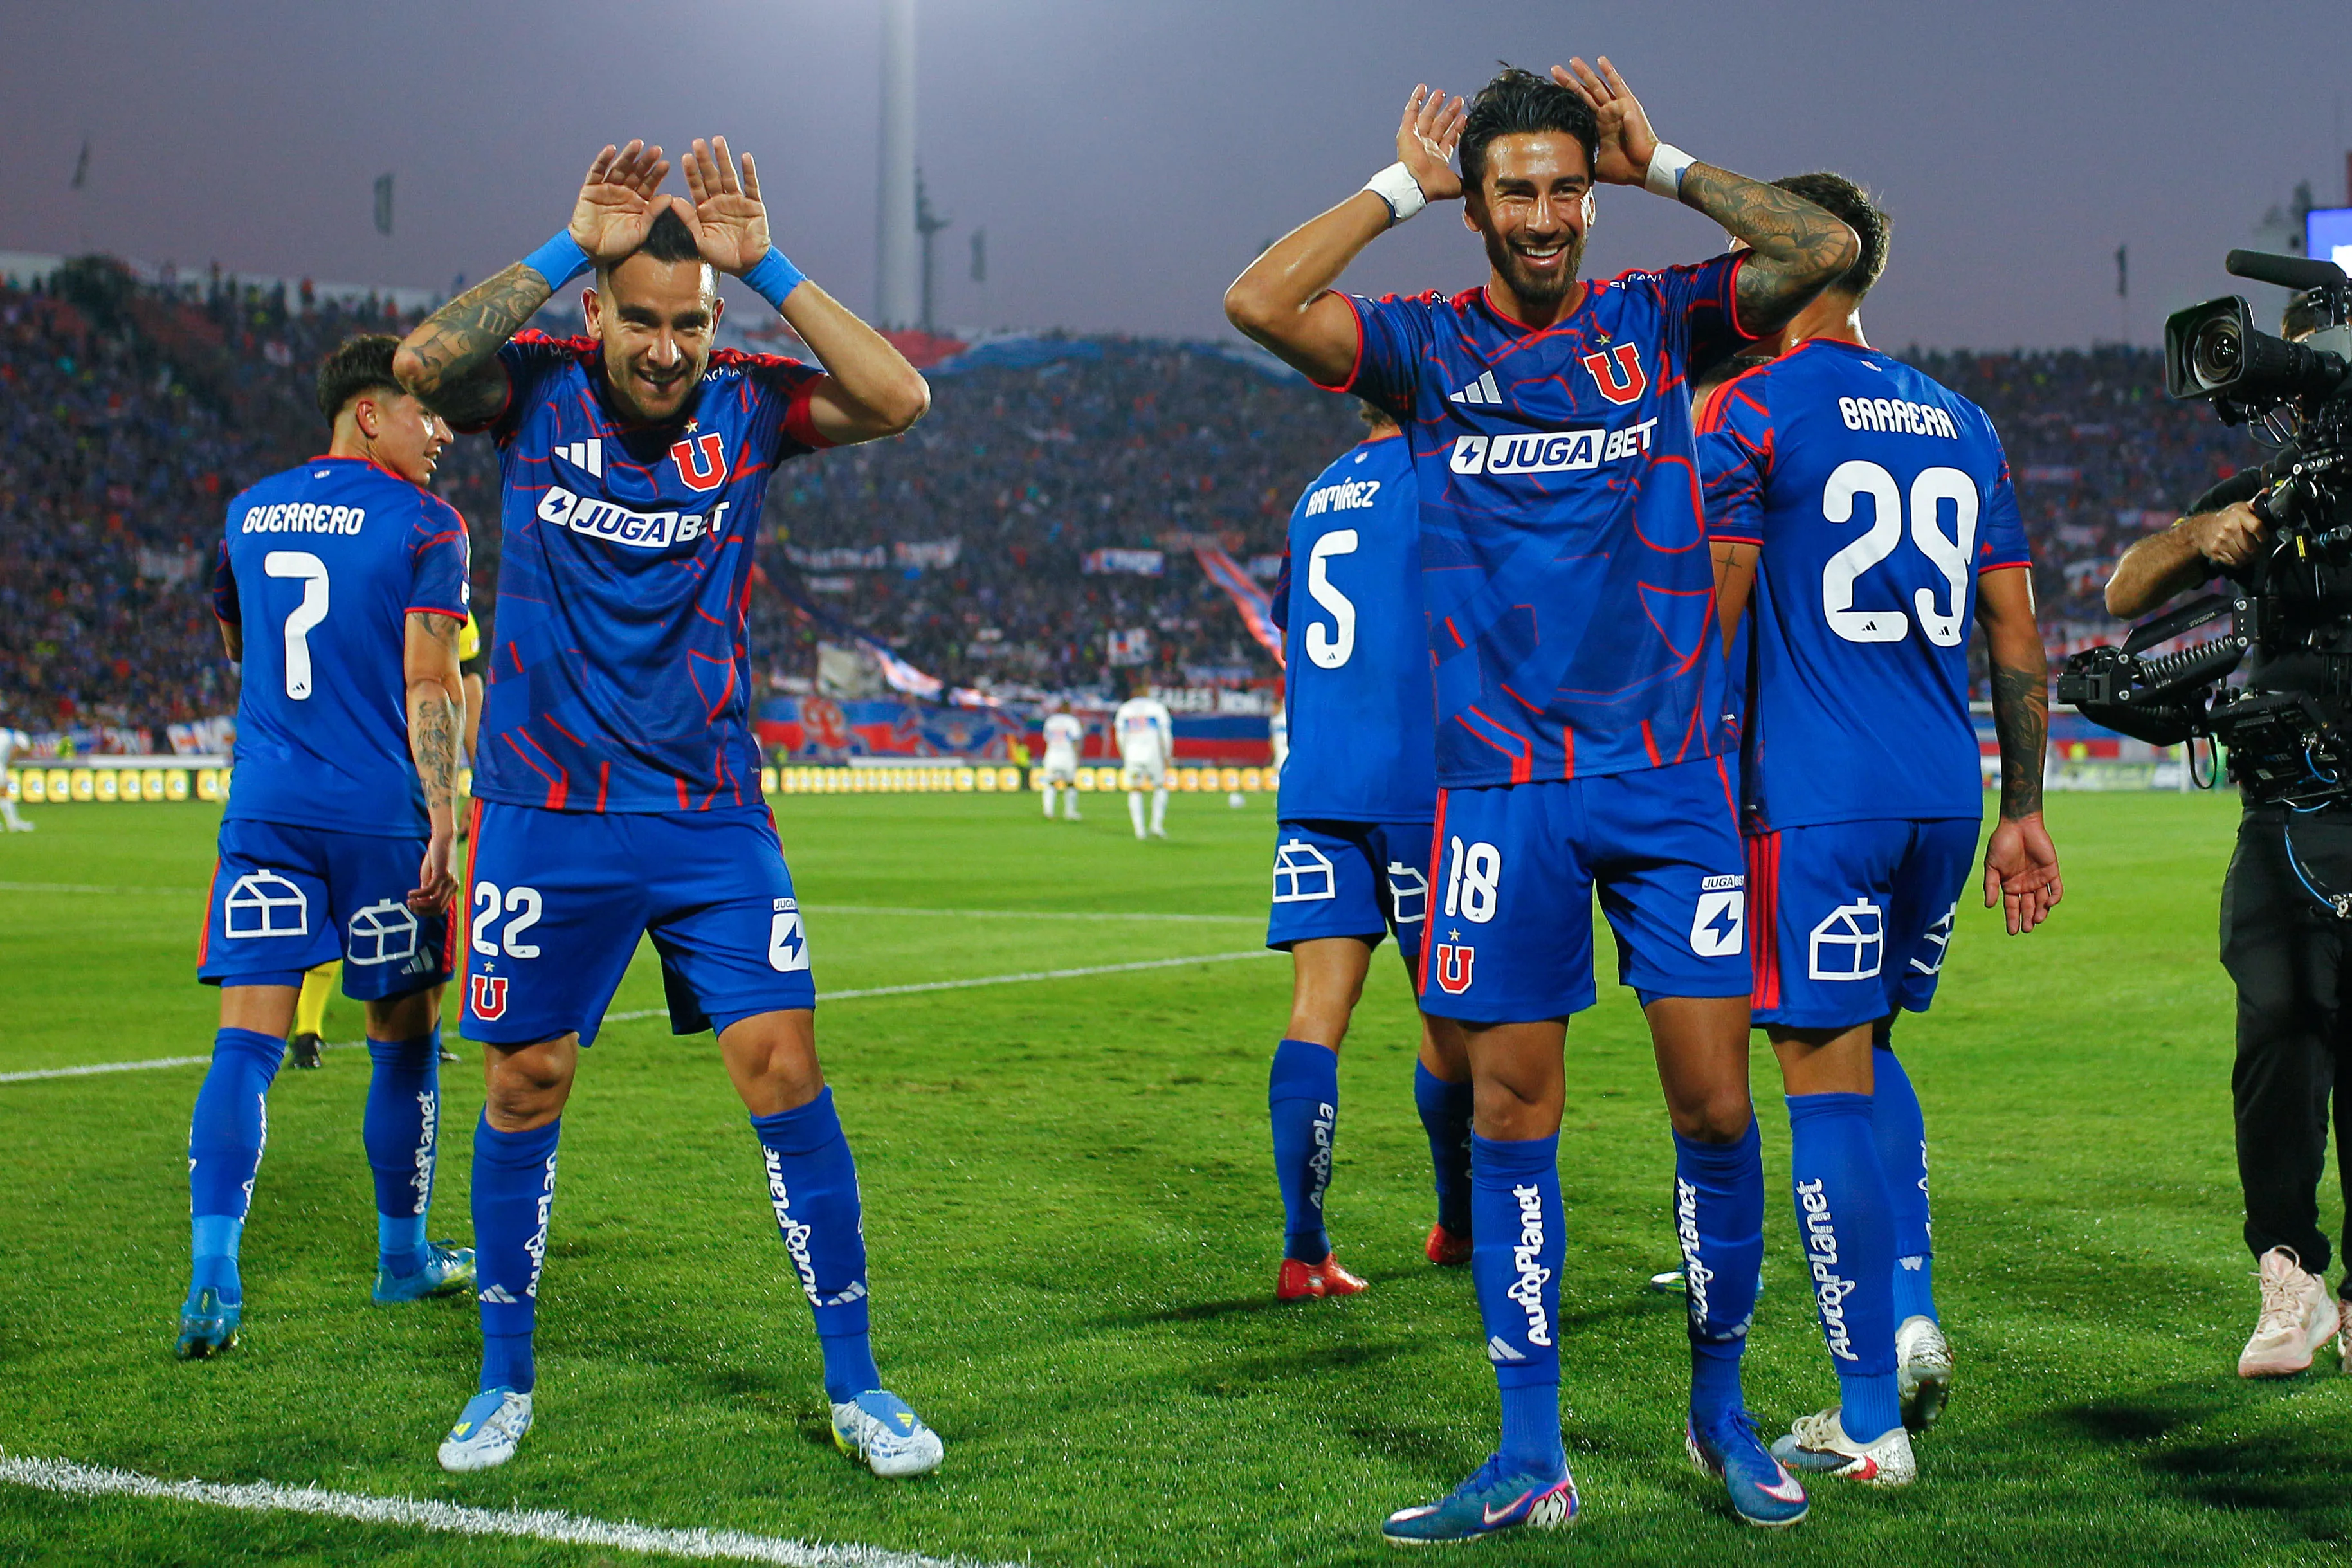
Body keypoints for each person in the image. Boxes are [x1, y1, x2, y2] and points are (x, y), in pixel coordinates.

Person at [1226, 60, 1857, 1538]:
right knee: (1511, 1113)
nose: (1542, 215)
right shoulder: (1424, 347)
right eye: (1514, 187)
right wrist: (1395, 187)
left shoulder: (1658, 320)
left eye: (1564, 186)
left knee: (1710, 1101)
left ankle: (1718, 1417)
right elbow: (1258, 303)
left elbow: (1819, 251)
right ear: (1478, 203)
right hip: (1495, 796)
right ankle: (1530, 1455)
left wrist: (1663, 163)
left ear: (1588, 194)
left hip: (1665, 784)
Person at [394, 137, 941, 1475]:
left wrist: (771, 270)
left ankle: (858, 1383)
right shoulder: (531, 391)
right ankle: (502, 1383)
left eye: (688, 324)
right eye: (638, 320)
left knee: (785, 1072)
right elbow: (416, 368)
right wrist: (565, 239)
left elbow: (901, 396)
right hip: (542, 812)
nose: (663, 349)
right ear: (595, 313)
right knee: (525, 1082)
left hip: (707, 815)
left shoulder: (748, 404)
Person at [1700, 173, 2061, 1485]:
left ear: (1778, 258)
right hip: (1941, 791)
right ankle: (1903, 1302)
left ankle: (1863, 1418)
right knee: (1868, 1042)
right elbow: (2014, 635)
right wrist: (2022, 809)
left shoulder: (1748, 406)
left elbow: (1721, 608)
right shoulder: (1962, 420)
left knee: (1813, 1065)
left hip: (1814, 793)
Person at [179, 333, 475, 1359]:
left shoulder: (248, 511)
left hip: (265, 808)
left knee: (244, 1048)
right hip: (380, 818)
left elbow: (236, 639)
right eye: (421, 410)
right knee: (404, 1044)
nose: (439, 430)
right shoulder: (428, 523)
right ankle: (403, 1257)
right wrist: (444, 812)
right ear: (366, 413)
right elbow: (431, 680)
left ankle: (213, 1274)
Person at [2105, 287, 2352, 1380]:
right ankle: (2288, 1275)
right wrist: (2197, 534)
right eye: (2276, 368)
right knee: (2274, 1035)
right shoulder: (2263, 493)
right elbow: (2121, 590)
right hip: (2283, 805)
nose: (2289, 392)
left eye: (2309, 366)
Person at [1263, 401, 1475, 1302]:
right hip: (1418, 783)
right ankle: (1458, 1222)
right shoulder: (1445, 480)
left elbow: (1289, 617)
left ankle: (1303, 1248)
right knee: (1449, 1013)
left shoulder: (1317, 493)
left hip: (1317, 784)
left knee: (1315, 1015)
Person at [1113, 680, 1174, 839]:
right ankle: (1156, 826)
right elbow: (1165, 735)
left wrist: (1124, 754)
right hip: (1153, 754)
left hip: (1133, 754)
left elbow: (1120, 736)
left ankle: (1139, 830)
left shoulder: (1124, 710)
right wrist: (1167, 755)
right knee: (1160, 787)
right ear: (1146, 690)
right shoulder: (1157, 708)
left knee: (1135, 789)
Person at [1039, 704, 1084, 821]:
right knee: (1070, 784)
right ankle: (1070, 812)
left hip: (1052, 755)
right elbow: (1076, 741)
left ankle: (1048, 811)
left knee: (1051, 783)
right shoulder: (1072, 722)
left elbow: (1046, 738)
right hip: (1067, 756)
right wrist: (1078, 757)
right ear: (1069, 709)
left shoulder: (1051, 721)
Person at [0, 727, 33, 832]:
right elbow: (18, 749)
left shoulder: (5, 734)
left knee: (3, 795)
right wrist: (10, 763)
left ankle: (13, 823)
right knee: (3, 794)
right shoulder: (21, 738)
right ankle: (13, 823)